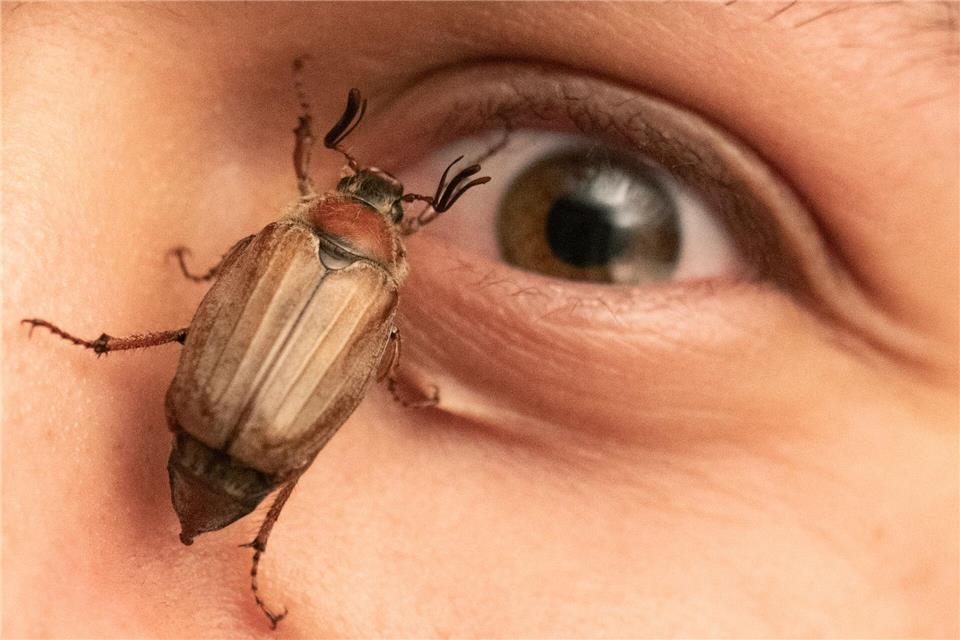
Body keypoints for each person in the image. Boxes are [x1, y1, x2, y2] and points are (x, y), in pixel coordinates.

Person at [4, 3, 956, 637]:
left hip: (210, 417)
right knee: (299, 429)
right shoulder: (380, 294)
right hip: (252, 444)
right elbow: (333, 357)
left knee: (229, 360)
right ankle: (256, 542)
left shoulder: (287, 236)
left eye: (570, 228)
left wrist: (220, 280)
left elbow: (225, 292)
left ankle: (107, 361)